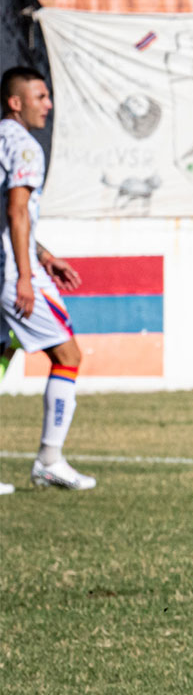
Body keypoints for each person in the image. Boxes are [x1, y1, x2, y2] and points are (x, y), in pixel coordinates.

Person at [0, 67, 93, 494]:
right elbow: (17, 213)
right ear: (15, 102)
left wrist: (45, 254)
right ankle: (50, 460)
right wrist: (25, 274)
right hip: (12, 273)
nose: (48, 104)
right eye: (40, 96)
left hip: (12, 263)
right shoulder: (25, 148)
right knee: (68, 355)